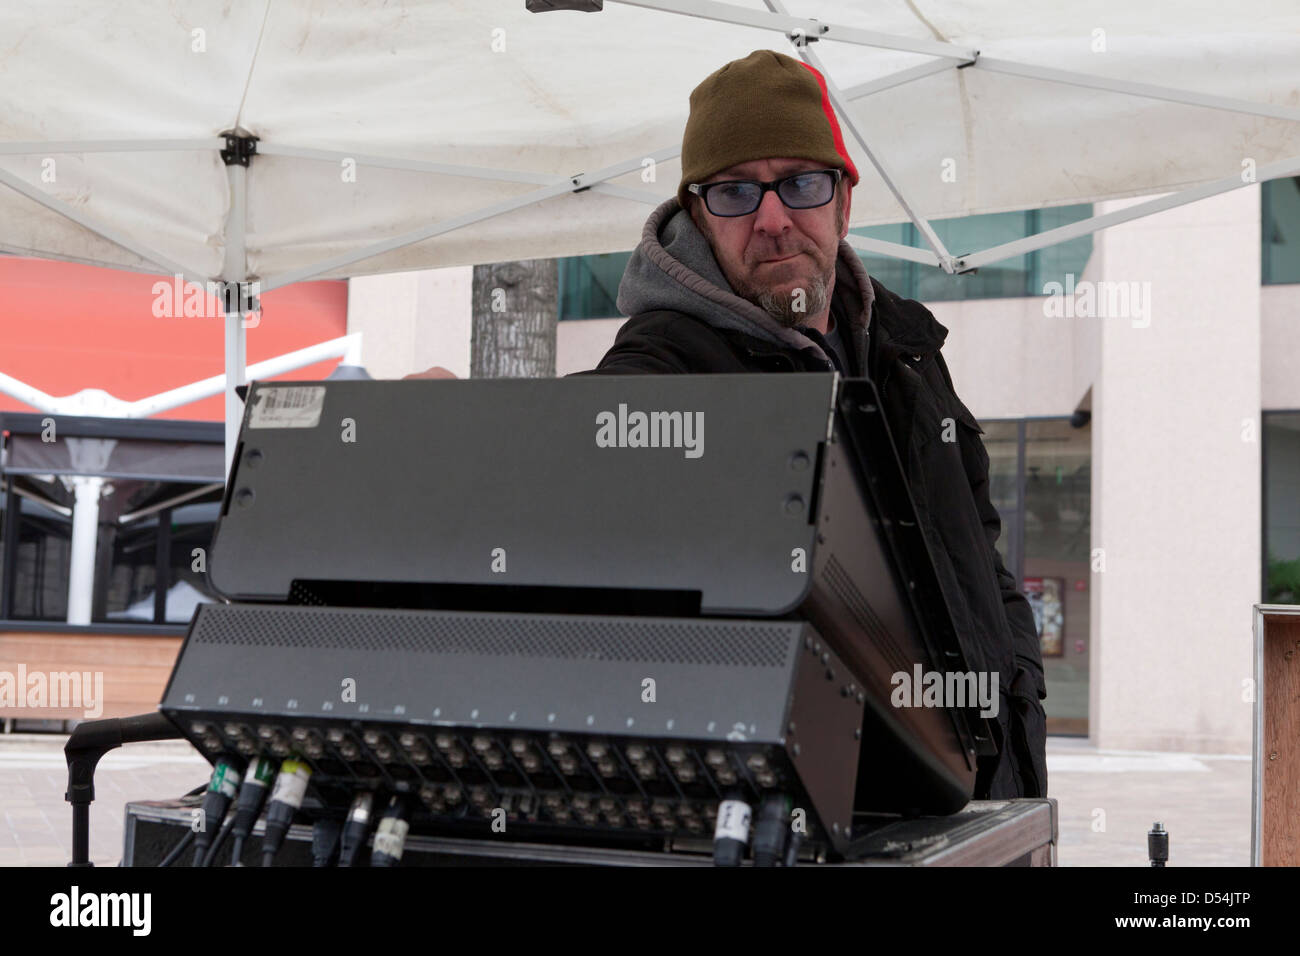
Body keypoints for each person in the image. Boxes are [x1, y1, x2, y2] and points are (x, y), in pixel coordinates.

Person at [407, 48, 1047, 800]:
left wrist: (1018, 691)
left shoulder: (908, 349)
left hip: (989, 789)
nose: (773, 219)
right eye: (736, 192)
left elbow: (978, 547)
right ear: (700, 218)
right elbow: (590, 436)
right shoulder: (675, 357)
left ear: (845, 201)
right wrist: (471, 423)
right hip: (831, 808)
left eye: (801, 184)